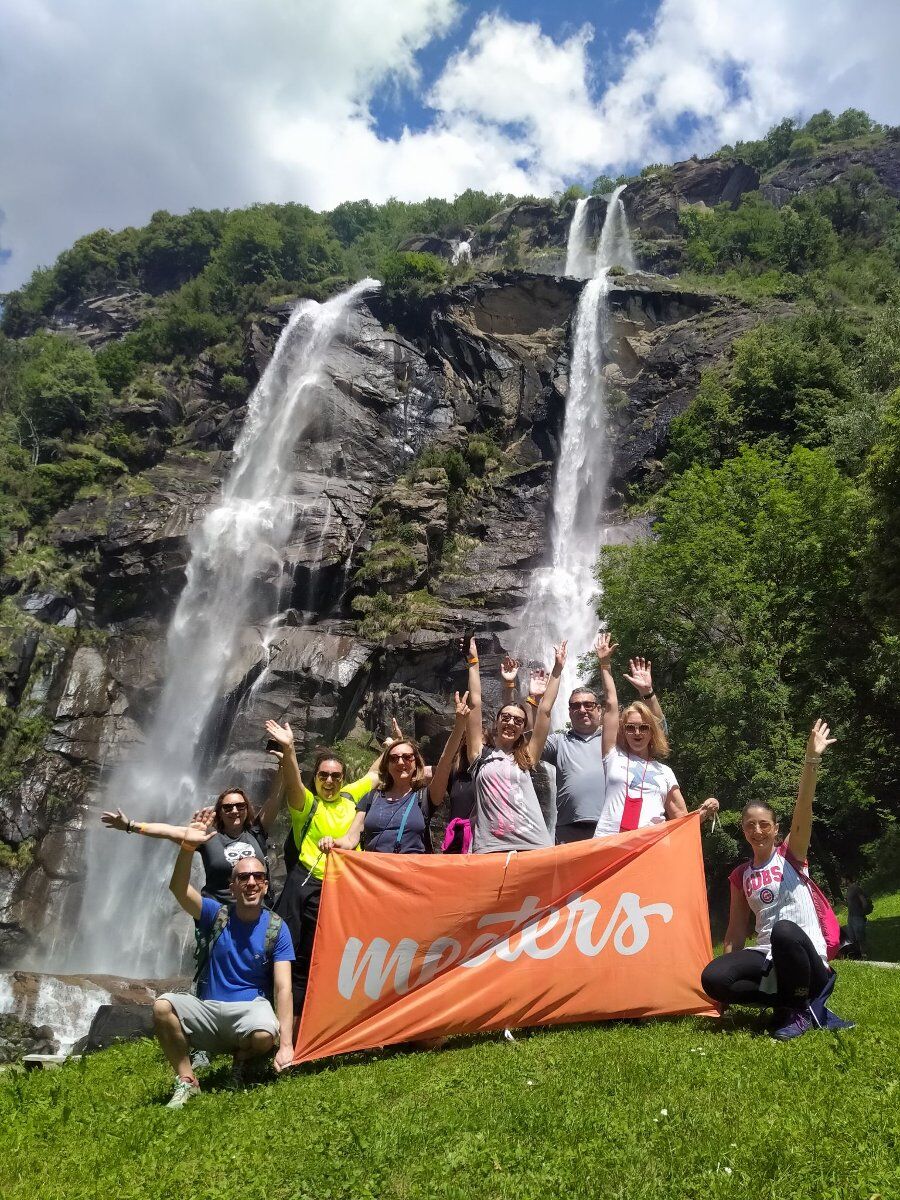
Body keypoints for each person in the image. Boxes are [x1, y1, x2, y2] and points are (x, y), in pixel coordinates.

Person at [700, 720, 854, 1040]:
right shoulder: (741, 875)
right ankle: (785, 1003)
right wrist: (724, 997)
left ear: (775, 827)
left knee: (784, 931)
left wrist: (811, 760)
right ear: (743, 830)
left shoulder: (791, 855)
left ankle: (800, 1007)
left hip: (805, 957)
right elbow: (735, 931)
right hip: (767, 955)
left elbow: (804, 807)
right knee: (713, 977)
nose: (757, 831)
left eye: (764, 825)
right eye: (750, 825)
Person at [152, 824, 295, 1108]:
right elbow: (178, 889)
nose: (251, 882)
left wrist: (287, 1045)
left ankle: (241, 1060)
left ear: (266, 885)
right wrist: (187, 848)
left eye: (258, 877)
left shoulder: (277, 928)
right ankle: (187, 1080)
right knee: (162, 1006)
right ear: (233, 886)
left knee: (266, 1034)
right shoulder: (214, 914)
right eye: (243, 877)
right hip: (208, 1010)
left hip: (247, 1011)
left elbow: (283, 988)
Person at [263, 721, 380, 1018]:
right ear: (315, 778)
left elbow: (375, 774)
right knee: (298, 954)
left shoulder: (352, 797)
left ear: (343, 779)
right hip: (307, 887)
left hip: (345, 888)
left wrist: (393, 746)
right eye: (323, 775)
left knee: (343, 953)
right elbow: (292, 784)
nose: (329, 781)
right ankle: (293, 1019)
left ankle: (335, 1015)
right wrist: (288, 749)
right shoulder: (307, 805)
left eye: (335, 776)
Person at [593, 634, 718, 836]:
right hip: (608, 843)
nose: (637, 732)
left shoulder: (665, 773)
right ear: (623, 730)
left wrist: (703, 812)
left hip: (647, 849)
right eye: (630, 727)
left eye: (643, 727)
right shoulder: (613, 755)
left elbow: (681, 820)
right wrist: (605, 665)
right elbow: (610, 704)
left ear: (652, 732)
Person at [539, 653, 667, 845]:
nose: (582, 709)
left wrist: (648, 694)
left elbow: (658, 729)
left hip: (612, 827)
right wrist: (534, 701)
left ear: (599, 710)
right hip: (567, 830)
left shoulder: (617, 739)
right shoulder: (558, 741)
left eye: (589, 704)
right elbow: (529, 743)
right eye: (575, 706)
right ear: (569, 712)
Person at [320, 693, 470, 856]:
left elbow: (445, 761)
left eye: (407, 757)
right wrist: (333, 842)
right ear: (386, 765)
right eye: (394, 758)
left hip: (411, 874)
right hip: (375, 874)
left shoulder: (425, 798)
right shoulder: (371, 798)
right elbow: (350, 840)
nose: (400, 762)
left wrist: (460, 724)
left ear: (416, 763)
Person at [101, 774, 283, 903]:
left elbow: (276, 797)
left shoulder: (256, 832)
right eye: (228, 808)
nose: (234, 810)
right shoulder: (207, 838)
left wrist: (285, 759)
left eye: (240, 806)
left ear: (246, 808)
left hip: (256, 915)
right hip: (219, 917)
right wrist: (130, 825)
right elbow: (167, 830)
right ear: (219, 812)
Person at [464, 636, 563, 853]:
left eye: (518, 721)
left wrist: (558, 669)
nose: (511, 722)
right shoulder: (479, 755)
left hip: (533, 845)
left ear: (522, 729)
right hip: (489, 847)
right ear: (496, 722)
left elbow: (545, 710)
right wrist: (473, 663)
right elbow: (475, 702)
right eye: (506, 717)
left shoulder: (527, 757)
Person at [844, 878, 873, 959]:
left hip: (858, 916)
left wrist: (863, 913)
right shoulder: (849, 890)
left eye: (843, 879)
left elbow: (863, 901)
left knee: (860, 937)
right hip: (851, 917)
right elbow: (850, 904)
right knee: (852, 937)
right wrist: (843, 903)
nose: (842, 881)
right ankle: (859, 954)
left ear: (848, 879)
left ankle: (865, 954)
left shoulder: (855, 888)